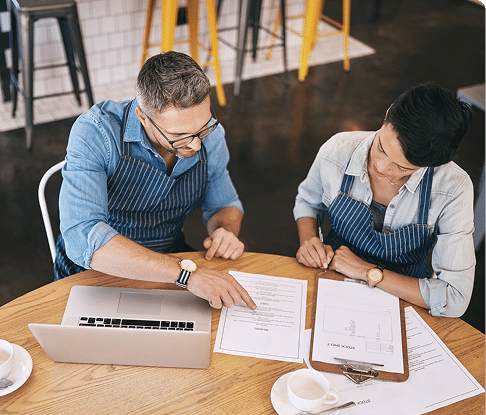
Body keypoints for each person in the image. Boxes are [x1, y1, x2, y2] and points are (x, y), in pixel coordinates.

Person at [55, 51, 256, 311]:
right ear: (142, 117)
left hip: (169, 261)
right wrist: (187, 275)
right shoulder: (97, 131)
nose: (196, 144)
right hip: (95, 272)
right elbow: (83, 237)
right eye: (179, 136)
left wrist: (224, 231)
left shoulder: (211, 137)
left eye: (202, 128)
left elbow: (224, 204)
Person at [294, 82, 475, 318]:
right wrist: (309, 241)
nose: (380, 167)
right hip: (332, 277)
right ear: (389, 112)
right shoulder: (338, 150)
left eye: (402, 167)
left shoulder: (452, 188)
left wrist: (368, 271)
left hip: (404, 298)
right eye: (381, 148)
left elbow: (454, 298)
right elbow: (307, 202)